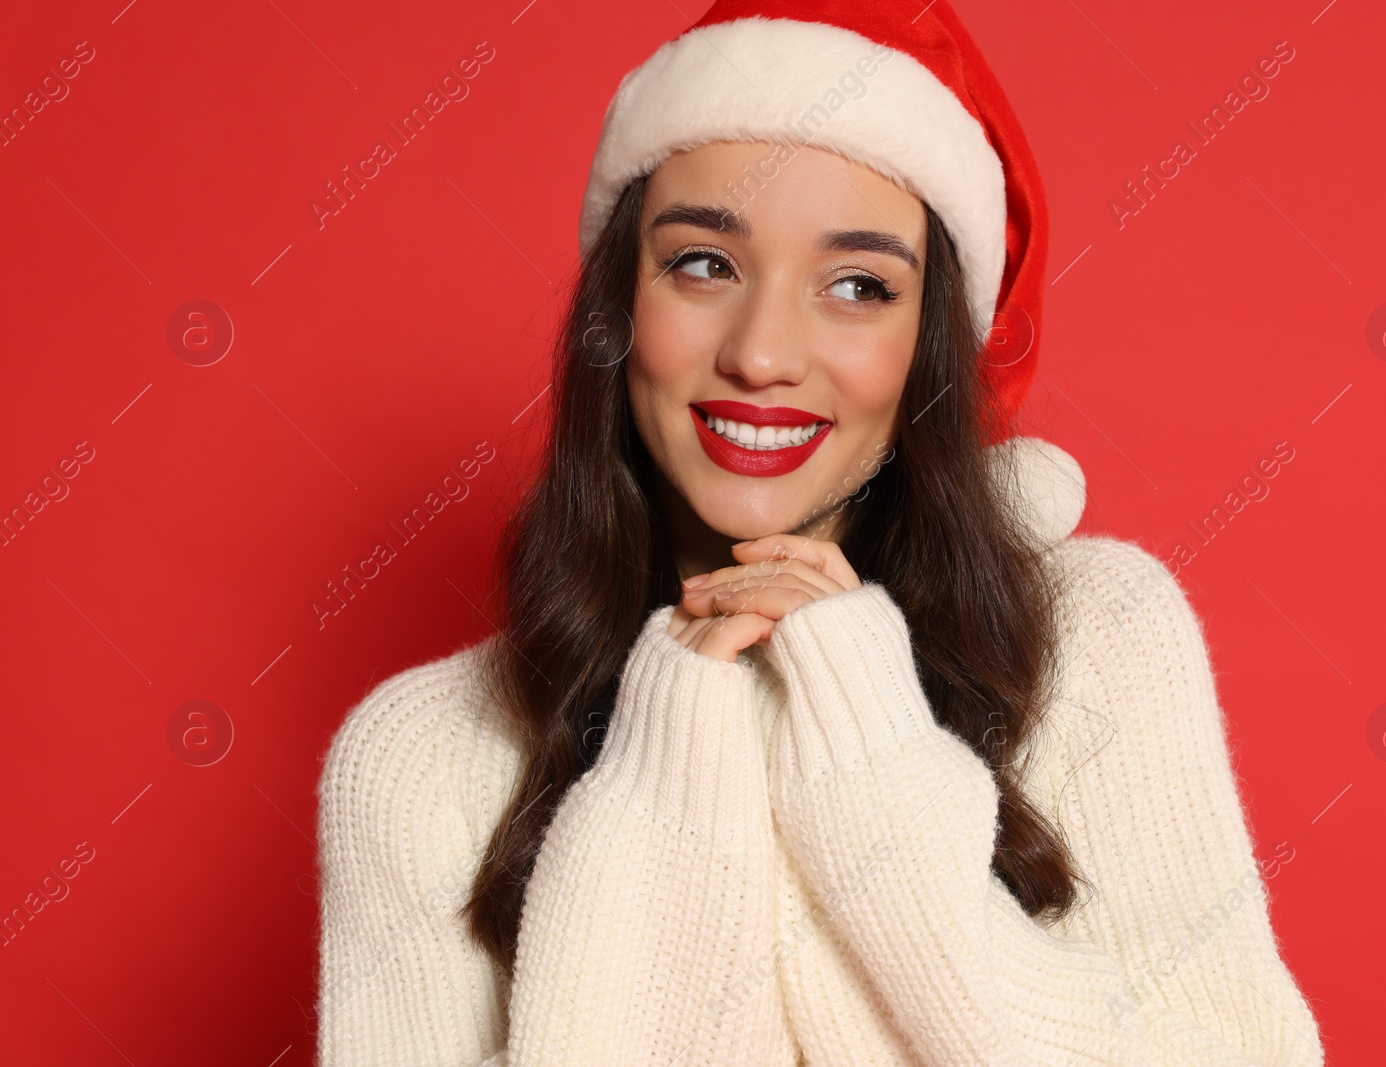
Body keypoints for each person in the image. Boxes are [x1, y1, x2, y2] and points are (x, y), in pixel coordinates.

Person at [314, 1, 1327, 1063]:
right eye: (704, 262)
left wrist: (871, 742)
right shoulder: (423, 760)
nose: (763, 353)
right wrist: (670, 759)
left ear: (930, 345)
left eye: (857, 285)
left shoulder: (1093, 637)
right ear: (618, 304)